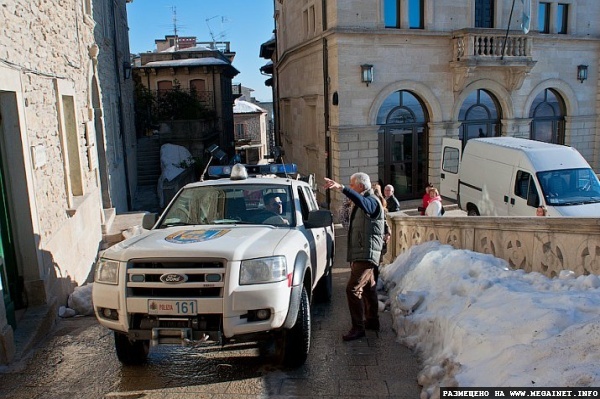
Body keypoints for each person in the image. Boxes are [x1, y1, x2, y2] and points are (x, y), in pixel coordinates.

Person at [324, 173, 385, 341]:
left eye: (352, 185)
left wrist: (341, 188)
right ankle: (372, 321)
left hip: (366, 253)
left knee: (352, 289)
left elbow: (364, 203)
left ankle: (358, 328)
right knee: (368, 288)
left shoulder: (371, 200)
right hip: (364, 251)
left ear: (360, 186)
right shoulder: (366, 200)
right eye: (349, 185)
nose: (351, 187)